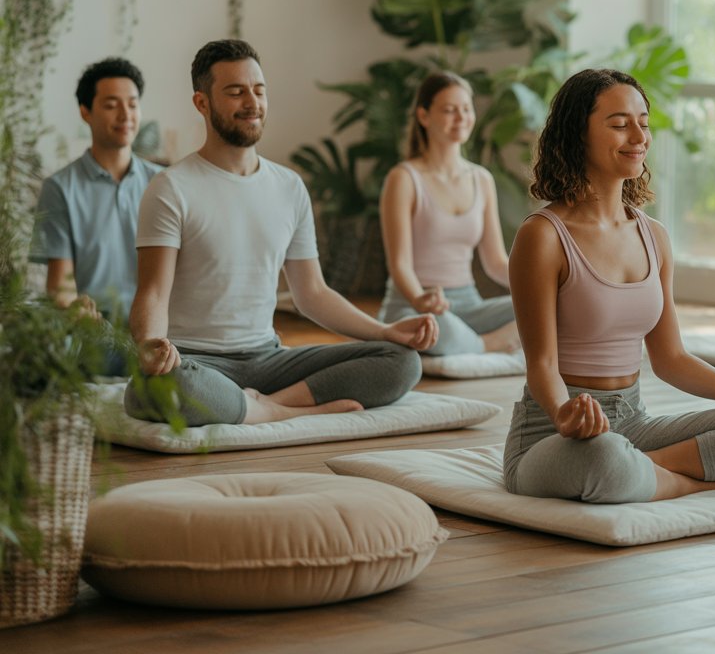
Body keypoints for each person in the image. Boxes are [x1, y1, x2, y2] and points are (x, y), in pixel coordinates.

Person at [504, 68, 715, 504]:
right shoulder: (543, 236)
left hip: (633, 424)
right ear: (577, 133)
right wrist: (565, 413)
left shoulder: (653, 235)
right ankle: (687, 482)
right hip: (555, 434)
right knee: (604, 458)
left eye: (644, 122)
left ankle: (647, 470)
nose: (639, 135)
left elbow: (672, 359)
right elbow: (542, 365)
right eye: (620, 124)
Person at [126, 39, 438, 427]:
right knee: (155, 387)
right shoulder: (171, 187)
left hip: (268, 359)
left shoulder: (289, 187)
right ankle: (278, 411)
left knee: (401, 361)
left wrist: (386, 330)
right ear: (202, 103)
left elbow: (312, 294)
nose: (252, 103)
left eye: (259, 90)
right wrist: (150, 347)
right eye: (236, 91)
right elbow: (153, 291)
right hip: (195, 360)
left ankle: (265, 406)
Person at [378, 71, 518, 355]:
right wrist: (420, 299)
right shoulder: (404, 178)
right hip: (415, 303)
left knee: (547, 309)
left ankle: (473, 344)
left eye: (466, 109)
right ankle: (490, 344)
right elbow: (399, 265)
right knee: (430, 326)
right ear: (424, 116)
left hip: (469, 303)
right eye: (449, 110)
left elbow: (494, 261)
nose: (461, 117)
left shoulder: (481, 179)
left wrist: (541, 288)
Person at [30, 57, 161, 321]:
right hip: (95, 335)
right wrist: (76, 314)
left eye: (133, 105)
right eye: (112, 105)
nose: (125, 115)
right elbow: (61, 289)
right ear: (85, 112)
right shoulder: (60, 188)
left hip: (162, 331)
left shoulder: (163, 183)